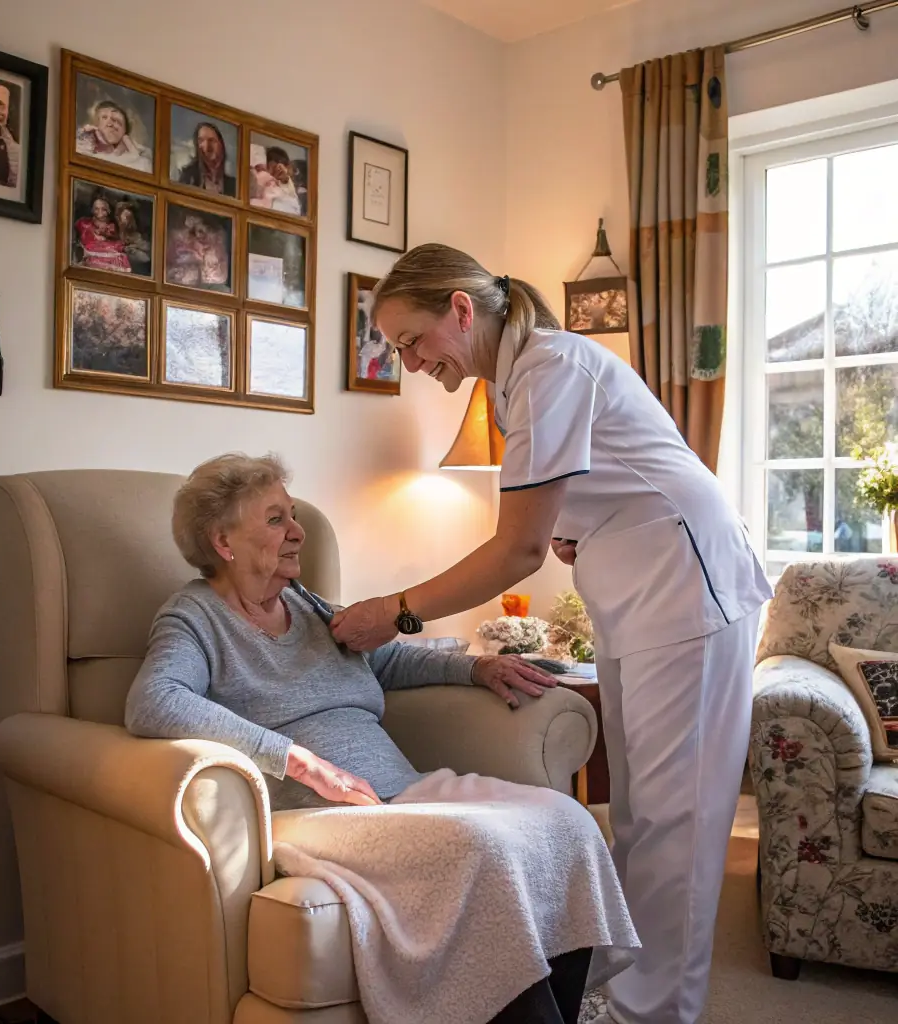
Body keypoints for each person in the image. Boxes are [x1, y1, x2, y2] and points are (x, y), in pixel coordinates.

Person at [329, 243, 774, 1024]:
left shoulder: (552, 367)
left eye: (411, 341)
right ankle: (635, 998)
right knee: (638, 820)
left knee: (681, 829)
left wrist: (396, 609)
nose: (409, 363)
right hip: (638, 597)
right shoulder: (513, 387)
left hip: (687, 598)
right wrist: (576, 524)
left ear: (461, 310)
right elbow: (580, 501)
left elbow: (517, 549)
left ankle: (659, 1013)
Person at [124, 452, 639, 1024]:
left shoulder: (309, 605)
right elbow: (155, 701)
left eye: (292, 515)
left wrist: (476, 669)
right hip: (320, 814)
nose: (298, 532)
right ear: (223, 542)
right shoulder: (195, 616)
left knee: (565, 823)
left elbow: (387, 661)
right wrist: (297, 760)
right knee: (480, 846)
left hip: (404, 792)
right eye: (276, 520)